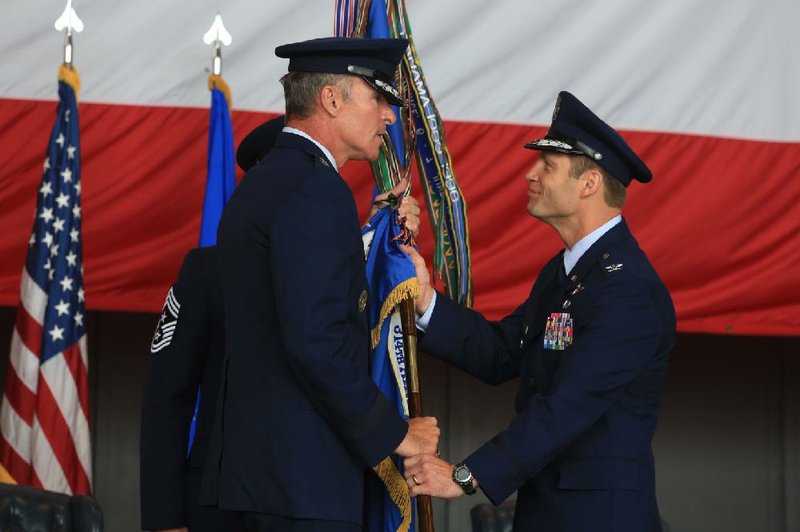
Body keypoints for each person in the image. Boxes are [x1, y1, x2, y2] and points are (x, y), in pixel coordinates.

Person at [402, 91, 676, 532]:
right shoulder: (567, 270)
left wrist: (466, 477)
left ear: (588, 184)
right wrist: (425, 301)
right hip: (548, 508)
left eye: (547, 166)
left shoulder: (627, 290)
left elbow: (567, 407)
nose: (531, 174)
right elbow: (502, 353)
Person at [200, 37, 439, 532]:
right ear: (332, 99)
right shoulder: (317, 189)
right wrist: (396, 434)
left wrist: (373, 239)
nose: (389, 116)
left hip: (257, 476)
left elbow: (292, 298)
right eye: (378, 98)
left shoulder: (266, 183)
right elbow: (316, 340)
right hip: (303, 483)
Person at [139, 116, 285, 532]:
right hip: (218, 504)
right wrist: (165, 519)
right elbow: (166, 399)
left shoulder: (345, 270)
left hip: (316, 503)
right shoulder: (208, 271)